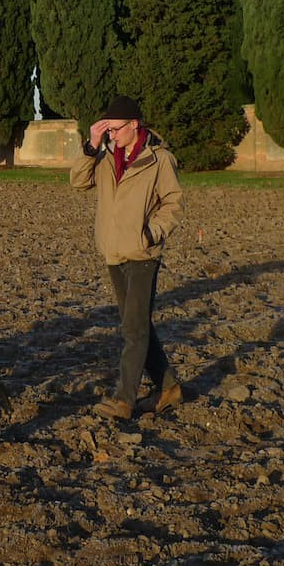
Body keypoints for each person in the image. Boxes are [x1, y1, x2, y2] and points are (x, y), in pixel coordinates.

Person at [70, 95, 184, 420]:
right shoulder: (105, 157)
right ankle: (169, 387)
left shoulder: (159, 159)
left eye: (116, 130)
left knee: (134, 331)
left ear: (134, 125)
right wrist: (91, 146)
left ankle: (124, 400)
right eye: (108, 131)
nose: (112, 135)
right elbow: (77, 182)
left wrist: (150, 234)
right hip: (113, 252)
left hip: (142, 254)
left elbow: (174, 203)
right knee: (137, 325)